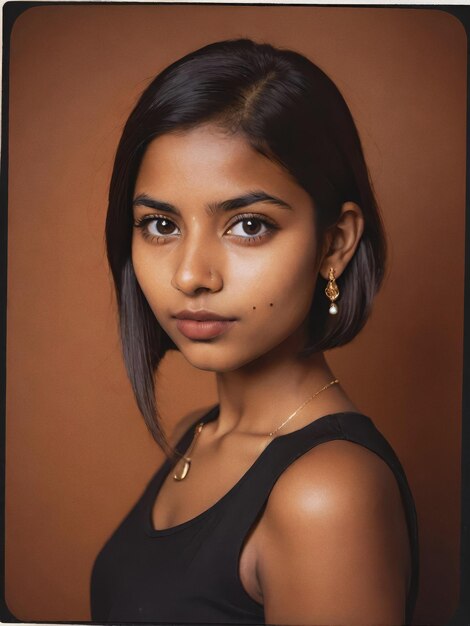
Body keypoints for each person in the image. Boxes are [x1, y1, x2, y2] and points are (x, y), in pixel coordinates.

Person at [90, 38, 419, 625]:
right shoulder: (202, 435)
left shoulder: (326, 493)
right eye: (160, 224)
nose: (191, 274)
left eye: (248, 225)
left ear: (335, 242)